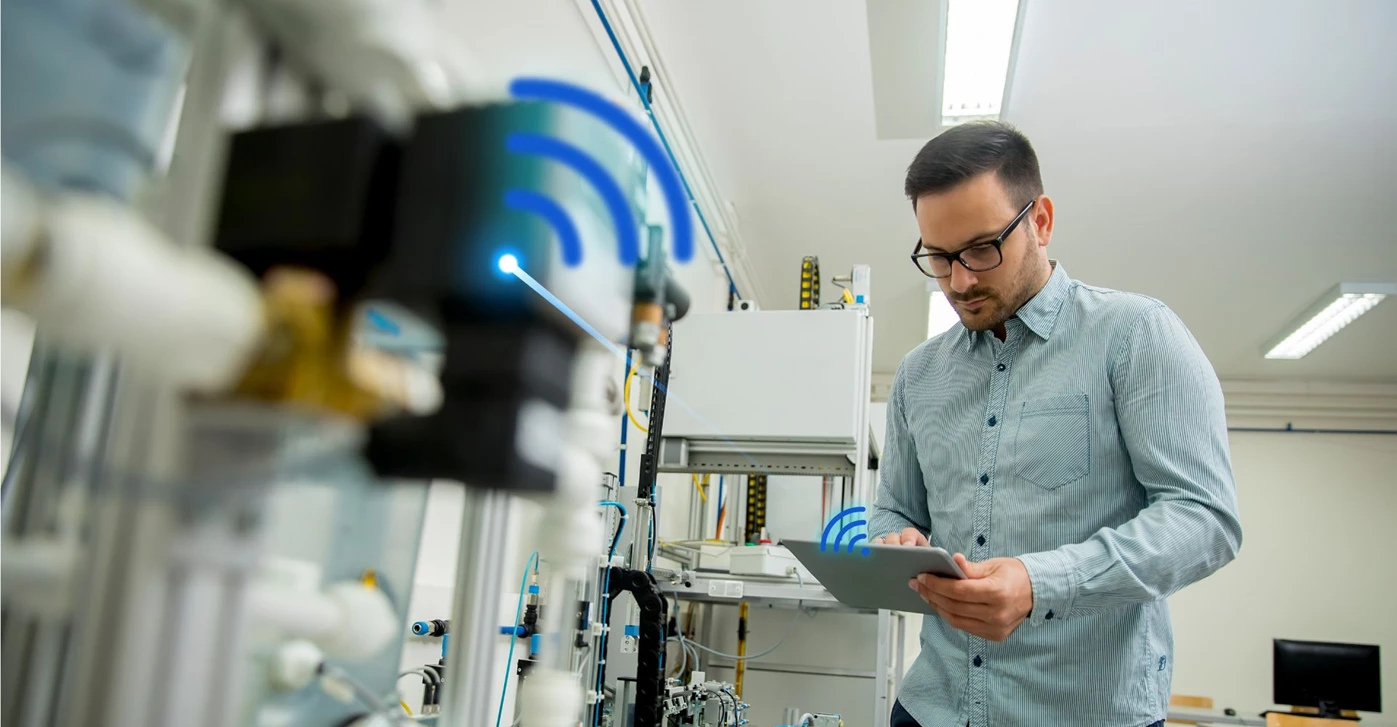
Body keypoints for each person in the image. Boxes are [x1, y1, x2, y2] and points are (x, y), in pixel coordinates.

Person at [870, 121, 1242, 727]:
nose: (960, 281)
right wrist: (896, 541)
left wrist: (1040, 583)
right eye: (938, 257)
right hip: (930, 708)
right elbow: (895, 511)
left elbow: (1206, 520)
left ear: (1040, 221)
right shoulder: (918, 376)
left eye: (983, 248)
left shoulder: (1135, 337)